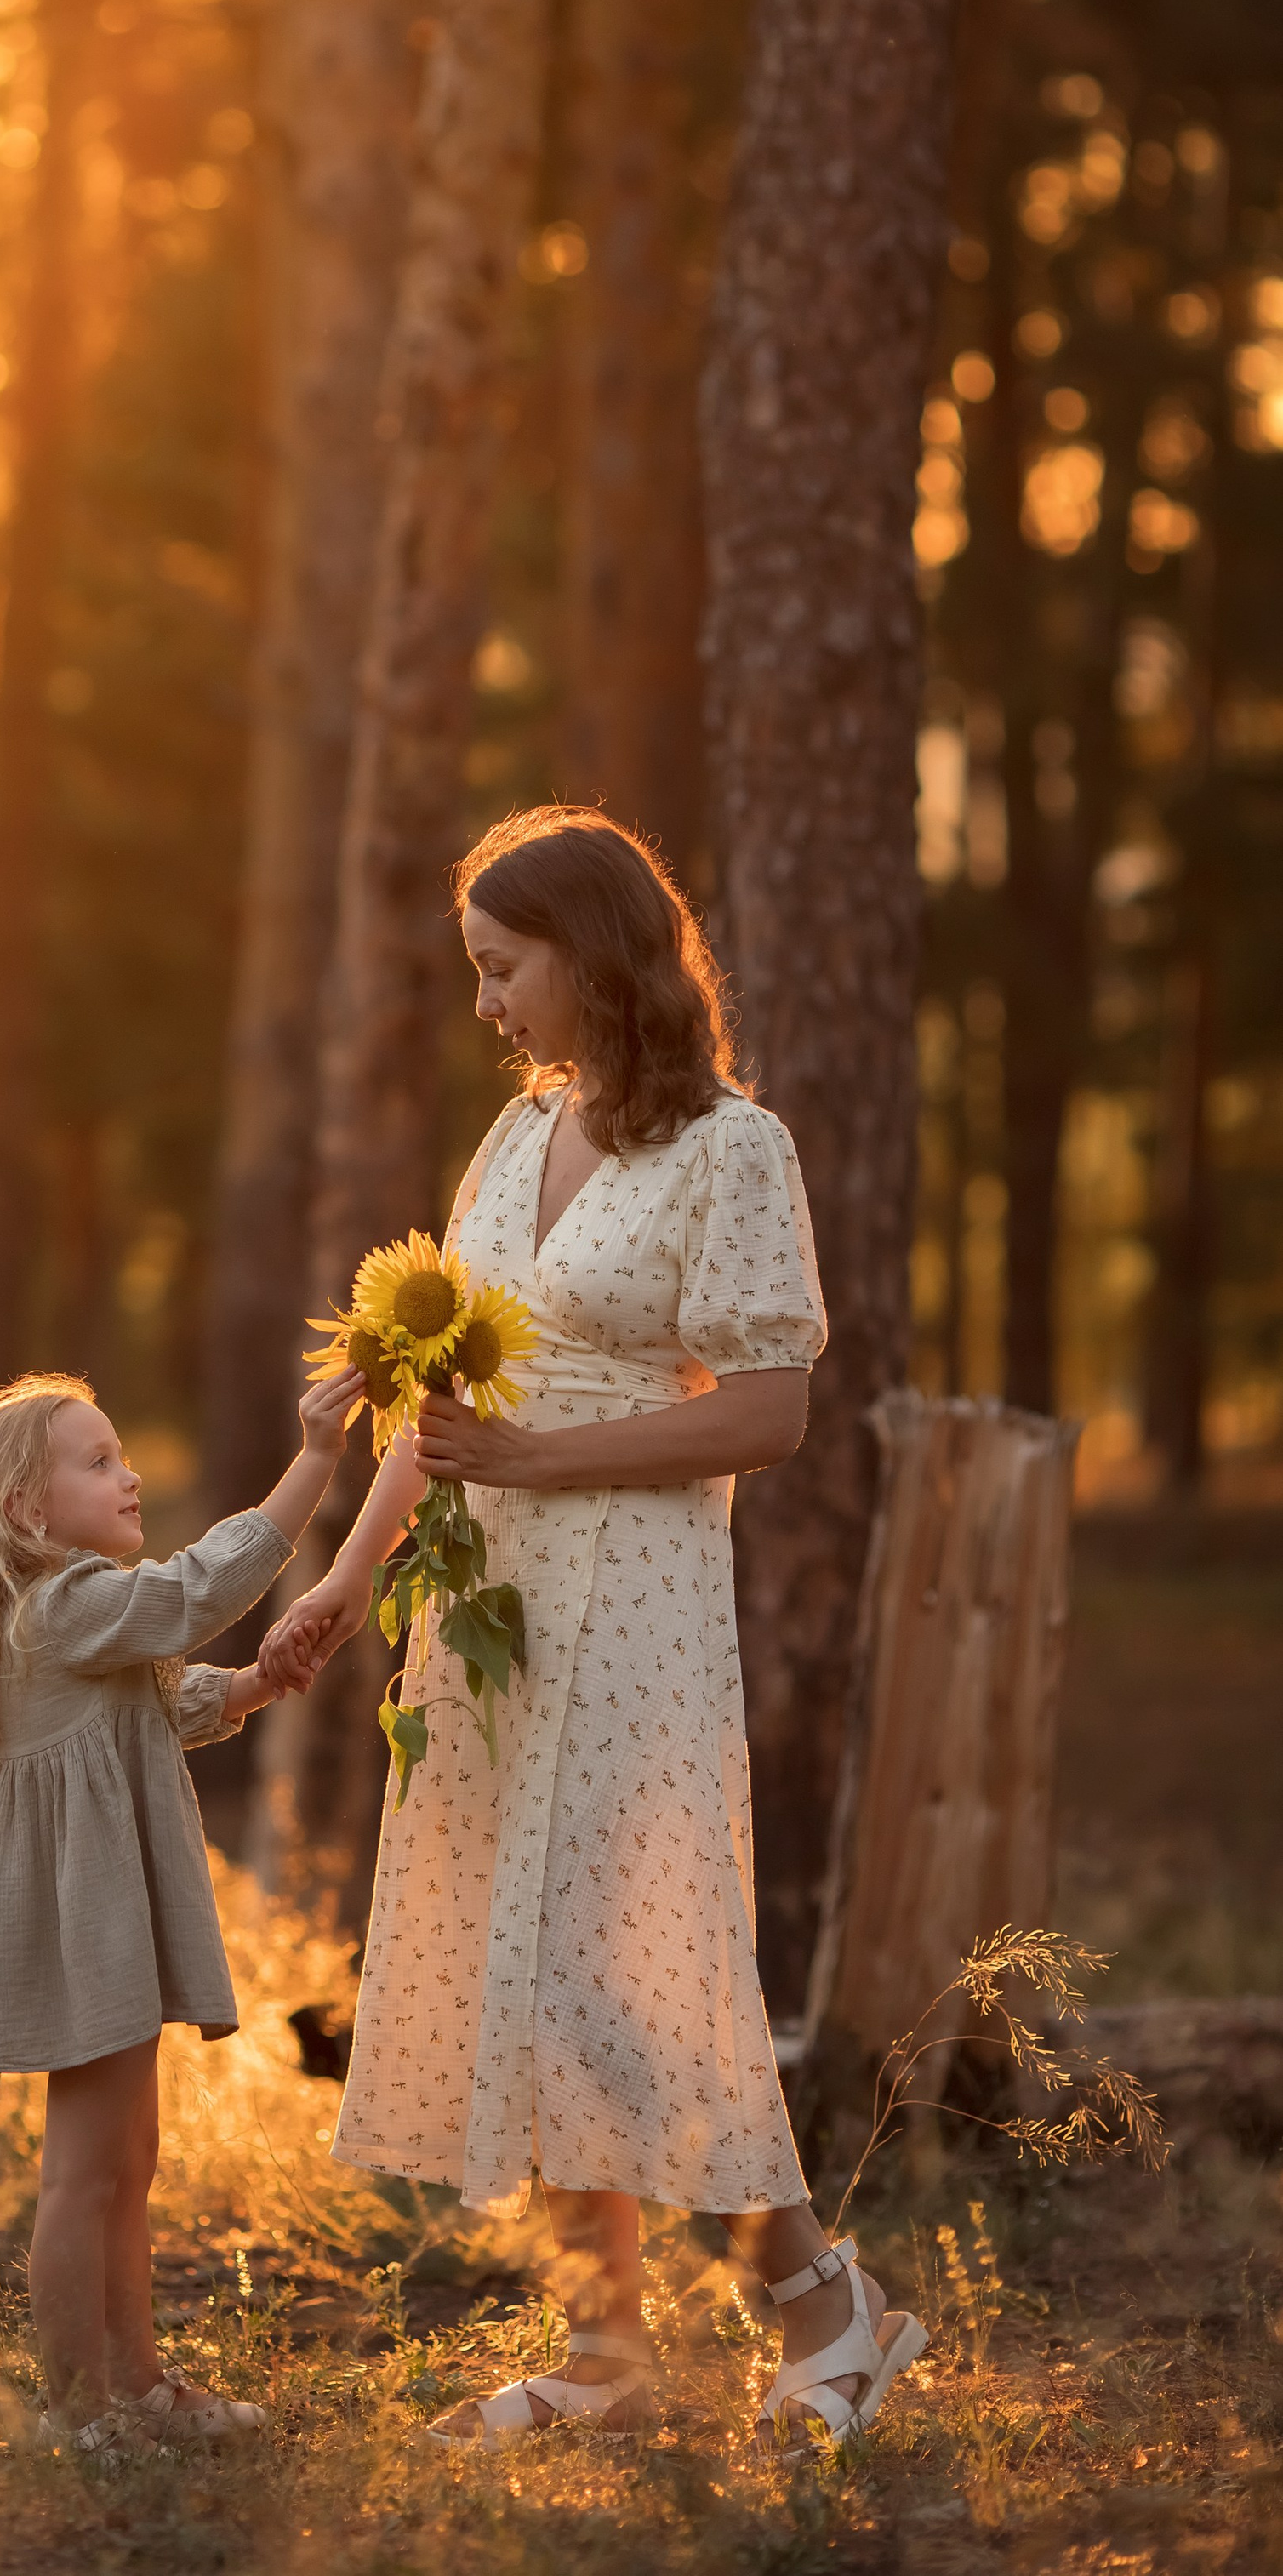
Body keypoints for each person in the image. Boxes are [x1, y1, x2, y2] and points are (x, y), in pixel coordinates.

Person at [259, 806, 927, 2452]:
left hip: (633, 1592)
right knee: (520, 1965)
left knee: (635, 1969)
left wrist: (546, 1457)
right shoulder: (510, 1146)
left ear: (593, 954)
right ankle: (606, 2359)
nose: (489, 1005)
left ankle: (828, 2307)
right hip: (490, 1610)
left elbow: (768, 1411)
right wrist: (349, 1580)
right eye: (476, 971)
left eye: (505, 969)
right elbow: (444, 1398)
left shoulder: (731, 1150)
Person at [0, 1362, 358, 2454]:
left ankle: (135, 2387)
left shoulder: (68, 1620)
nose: (130, 1477)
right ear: (23, 1509)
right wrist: (317, 1460)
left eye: (124, 1455)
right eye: (99, 1463)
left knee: (125, 2161)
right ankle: (76, 2408)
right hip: (80, 1928)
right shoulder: (61, 1607)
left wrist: (254, 1684)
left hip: (98, 1921)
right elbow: (193, 1594)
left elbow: (156, 1702)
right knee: (84, 2173)